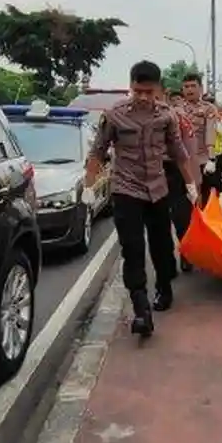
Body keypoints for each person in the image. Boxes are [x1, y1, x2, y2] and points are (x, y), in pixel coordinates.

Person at [85, 61, 199, 337]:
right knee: (132, 249)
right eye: (138, 91)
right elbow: (98, 152)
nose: (144, 97)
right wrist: (89, 187)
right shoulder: (114, 116)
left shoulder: (167, 116)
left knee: (161, 245)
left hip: (158, 190)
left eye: (149, 92)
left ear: (158, 89)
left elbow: (179, 152)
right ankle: (140, 307)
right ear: (130, 86)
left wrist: (190, 184)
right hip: (126, 190)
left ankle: (164, 288)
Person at [160, 86, 197, 272]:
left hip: (176, 170)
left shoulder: (179, 119)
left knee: (181, 218)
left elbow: (189, 151)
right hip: (155, 171)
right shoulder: (146, 117)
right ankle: (168, 262)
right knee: (160, 221)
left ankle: (186, 254)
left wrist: (192, 181)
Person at [180, 73, 220, 206]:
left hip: (202, 159)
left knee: (205, 199)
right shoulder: (176, 110)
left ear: (201, 88)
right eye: (186, 87)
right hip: (183, 161)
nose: (189, 90)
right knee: (185, 201)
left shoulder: (209, 108)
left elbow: (210, 133)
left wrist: (212, 158)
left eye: (193, 86)